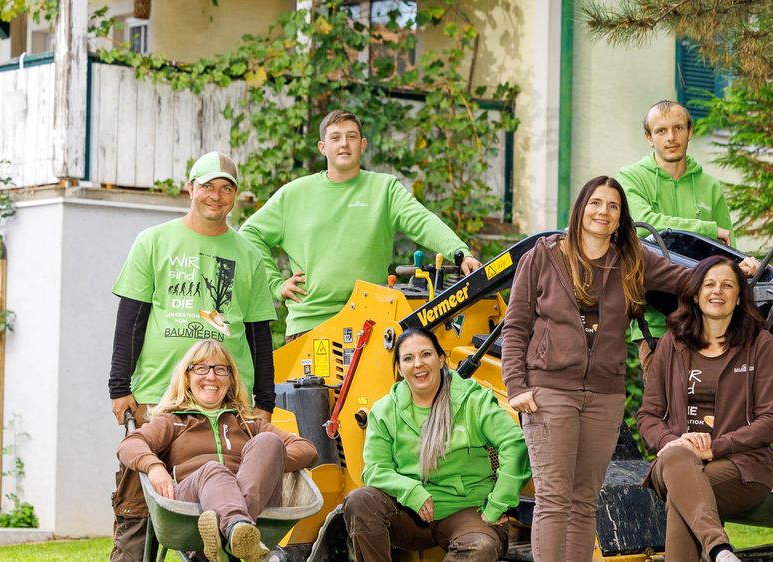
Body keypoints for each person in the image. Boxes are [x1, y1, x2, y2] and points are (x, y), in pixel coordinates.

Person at [501, 176, 693, 561]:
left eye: (613, 206)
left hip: (604, 396)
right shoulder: (544, 256)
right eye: (596, 203)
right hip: (549, 392)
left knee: (585, 500)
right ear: (581, 208)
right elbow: (516, 324)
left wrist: (735, 271)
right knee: (554, 499)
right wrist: (516, 385)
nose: (603, 212)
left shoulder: (631, 261)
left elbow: (685, 278)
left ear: (621, 219)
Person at [108, 151, 277, 562]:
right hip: (157, 392)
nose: (216, 196)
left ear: (235, 195)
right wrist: (119, 386)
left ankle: (221, 544)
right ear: (191, 188)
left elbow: (258, 333)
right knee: (136, 502)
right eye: (208, 186)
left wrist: (265, 402)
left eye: (226, 188)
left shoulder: (248, 253)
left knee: (227, 486)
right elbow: (132, 316)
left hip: (226, 401)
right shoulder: (154, 241)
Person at [240, 109, 482, 342]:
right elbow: (249, 235)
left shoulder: (384, 189)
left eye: (351, 136)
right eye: (335, 137)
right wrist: (275, 284)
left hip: (372, 324)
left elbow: (423, 221)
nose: (344, 143)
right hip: (311, 325)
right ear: (322, 147)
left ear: (362, 145)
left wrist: (459, 253)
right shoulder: (294, 194)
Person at [637, 256, 773, 562]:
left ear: (739, 296)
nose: (718, 291)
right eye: (709, 284)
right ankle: (719, 548)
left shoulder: (759, 344)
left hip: (742, 466)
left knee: (684, 499)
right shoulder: (671, 344)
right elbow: (649, 415)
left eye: (728, 285)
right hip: (677, 461)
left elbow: (770, 420)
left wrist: (715, 448)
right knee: (679, 459)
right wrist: (673, 442)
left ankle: (718, 551)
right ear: (694, 293)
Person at [117, 340, 317, 562]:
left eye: (221, 369)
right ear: (187, 377)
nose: (211, 377)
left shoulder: (247, 423)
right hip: (189, 503)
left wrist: (266, 462)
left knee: (269, 442)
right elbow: (130, 444)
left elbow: (307, 449)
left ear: (230, 380)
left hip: (252, 498)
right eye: (201, 368)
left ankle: (230, 536)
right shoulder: (173, 421)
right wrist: (154, 466)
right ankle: (236, 534)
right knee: (213, 470)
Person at [341, 327, 530, 561]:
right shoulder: (385, 410)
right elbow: (375, 470)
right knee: (359, 502)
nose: (418, 364)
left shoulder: (473, 400)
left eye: (426, 354)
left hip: (468, 510)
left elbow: (514, 443)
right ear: (399, 368)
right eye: (408, 358)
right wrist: (411, 491)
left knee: (480, 547)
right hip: (410, 512)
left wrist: (497, 505)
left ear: (441, 359)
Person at [618, 100, 758, 372]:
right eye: (661, 131)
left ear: (690, 132)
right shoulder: (631, 178)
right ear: (649, 137)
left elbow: (728, 256)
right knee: (664, 407)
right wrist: (707, 228)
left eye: (678, 128)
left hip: (710, 324)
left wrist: (746, 269)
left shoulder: (709, 186)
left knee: (710, 409)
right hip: (657, 321)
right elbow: (645, 224)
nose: (671, 137)